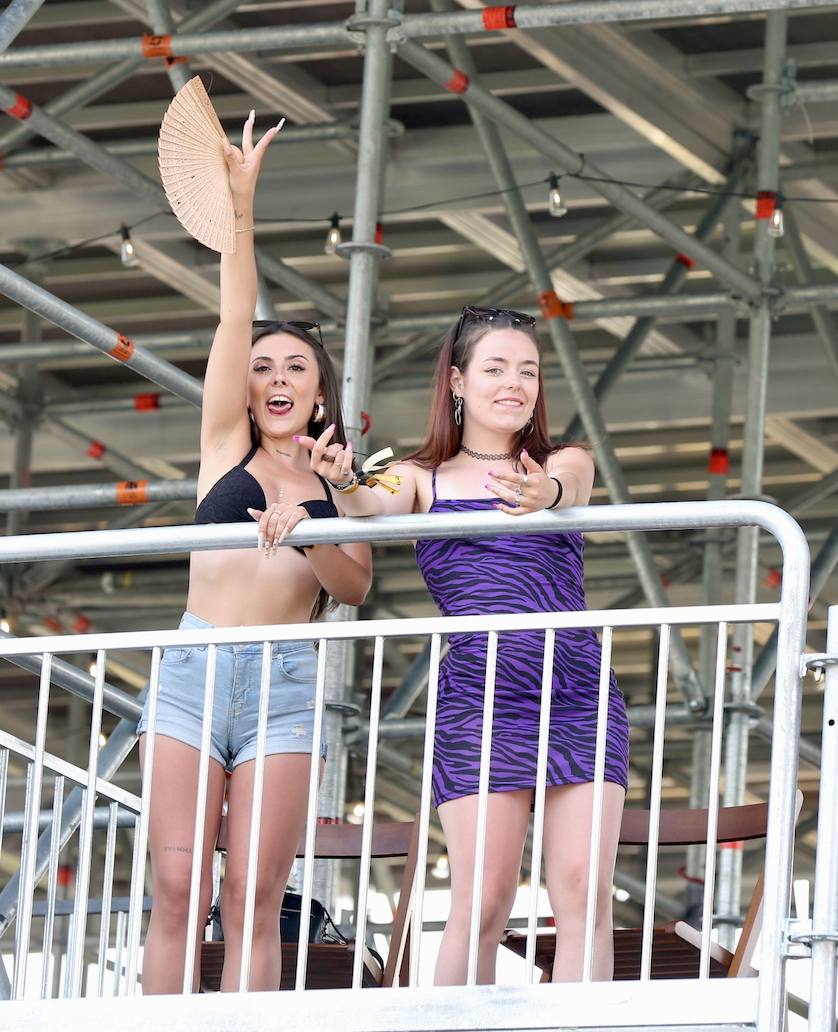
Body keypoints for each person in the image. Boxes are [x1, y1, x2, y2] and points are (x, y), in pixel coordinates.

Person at [301, 305, 626, 983]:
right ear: (456, 380)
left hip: (576, 689)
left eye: (529, 371)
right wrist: (341, 482)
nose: (516, 384)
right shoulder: (421, 474)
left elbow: (575, 485)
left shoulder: (560, 459)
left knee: (585, 892)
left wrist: (545, 492)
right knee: (481, 901)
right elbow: (369, 500)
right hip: (479, 695)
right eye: (497, 369)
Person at [138, 112, 372, 993]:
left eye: (296, 370)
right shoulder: (222, 449)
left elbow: (352, 587)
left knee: (255, 892)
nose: (276, 379)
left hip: (284, 685)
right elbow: (237, 304)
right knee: (175, 885)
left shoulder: (341, 476)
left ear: (320, 395)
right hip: (195, 665)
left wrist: (314, 522)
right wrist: (242, 205)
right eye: (265, 367)